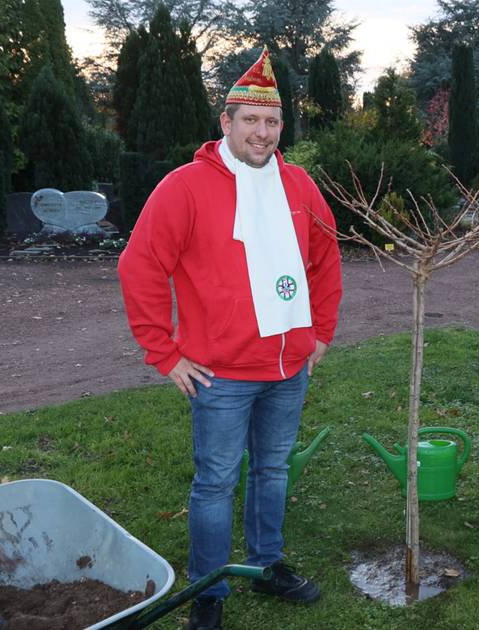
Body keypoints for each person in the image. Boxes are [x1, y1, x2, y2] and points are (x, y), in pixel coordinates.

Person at [118, 50, 342, 630]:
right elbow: (140, 266)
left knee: (272, 471)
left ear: (281, 128)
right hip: (220, 373)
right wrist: (164, 353)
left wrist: (319, 333)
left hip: (289, 368)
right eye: (249, 120)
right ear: (226, 123)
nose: (261, 132)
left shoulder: (299, 186)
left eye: (271, 122)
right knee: (216, 481)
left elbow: (325, 260)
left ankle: (267, 565)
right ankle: (209, 589)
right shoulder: (185, 187)